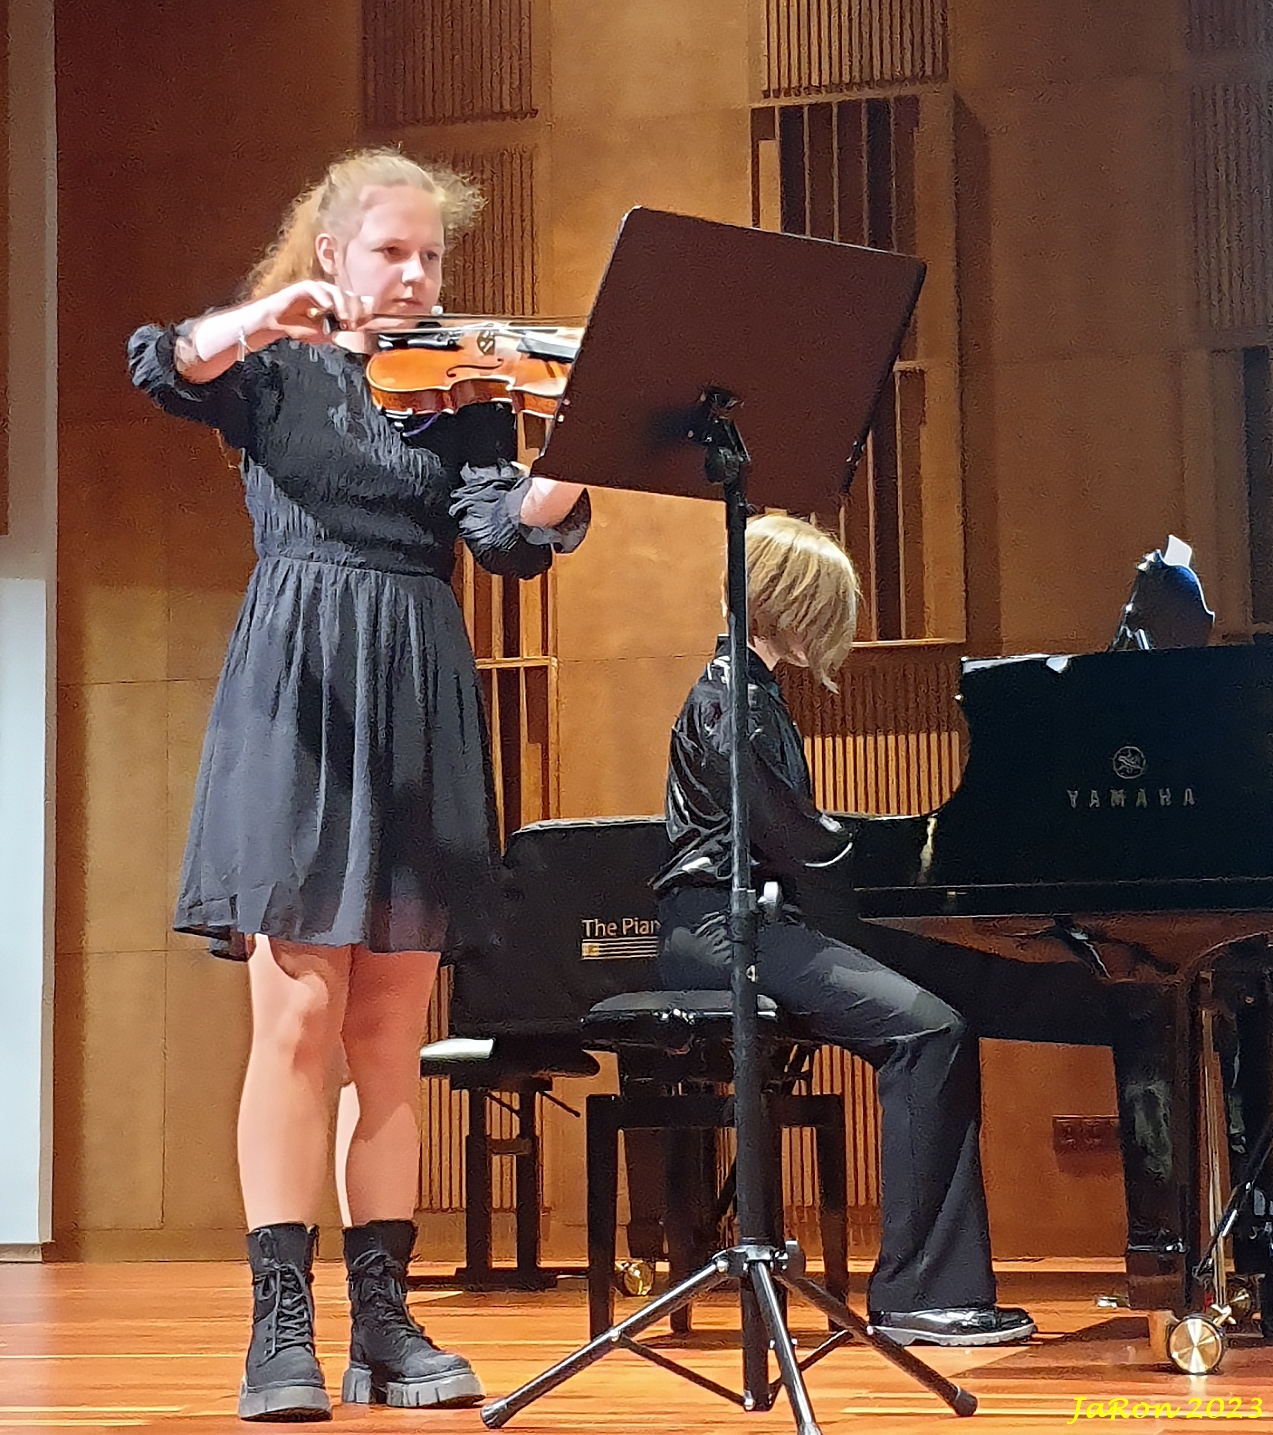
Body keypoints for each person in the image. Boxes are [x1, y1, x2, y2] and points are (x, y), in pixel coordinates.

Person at [128, 148, 589, 1421]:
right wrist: (260, 316)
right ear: (331, 252)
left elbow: (504, 533)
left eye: (432, 255)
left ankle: (383, 1323)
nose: (417, 274)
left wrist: (584, 449)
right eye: (392, 250)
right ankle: (279, 1325)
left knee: (389, 1036)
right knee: (297, 1019)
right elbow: (166, 364)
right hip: (300, 681)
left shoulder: (465, 397)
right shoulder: (275, 367)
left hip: (418, 686)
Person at [654, 513, 1063, 1347]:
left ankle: (930, 1284)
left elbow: (793, 841)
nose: (833, 629)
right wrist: (912, 853)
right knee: (928, 1031)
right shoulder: (731, 699)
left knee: (940, 1015)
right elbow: (799, 841)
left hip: (752, 922)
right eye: (824, 607)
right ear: (784, 600)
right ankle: (918, 1295)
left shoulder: (750, 692)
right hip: (722, 930)